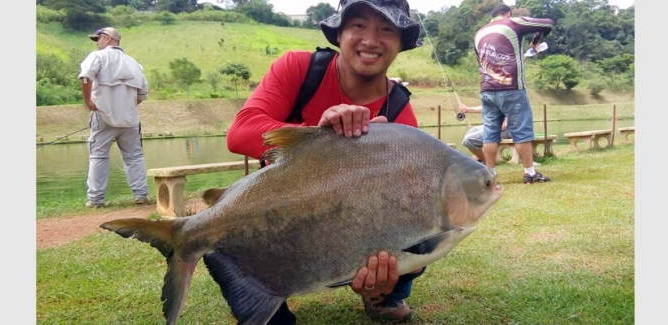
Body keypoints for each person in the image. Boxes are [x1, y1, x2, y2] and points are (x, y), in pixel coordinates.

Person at [214, 0, 425, 323]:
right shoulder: (299, 69)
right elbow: (239, 133)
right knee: (222, 231)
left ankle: (385, 296)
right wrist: (316, 136)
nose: (370, 40)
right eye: (358, 25)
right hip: (280, 213)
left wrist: (395, 264)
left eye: (387, 29)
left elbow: (413, 201)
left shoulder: (398, 112)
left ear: (400, 43)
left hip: (354, 218)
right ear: (339, 33)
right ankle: (266, 299)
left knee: (422, 240)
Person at [473, 4, 554, 184]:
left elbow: (480, 58)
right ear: (508, 13)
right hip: (511, 88)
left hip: (486, 89)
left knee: (489, 134)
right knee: (522, 132)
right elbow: (548, 24)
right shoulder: (512, 23)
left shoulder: (478, 33)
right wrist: (535, 41)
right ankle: (530, 173)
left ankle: (490, 175)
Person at [77, 27, 150, 208]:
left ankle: (96, 199)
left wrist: (88, 101)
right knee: (134, 156)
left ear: (108, 38)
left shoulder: (97, 56)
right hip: (130, 119)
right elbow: (143, 94)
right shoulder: (134, 64)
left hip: (103, 115)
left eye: (98, 39)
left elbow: (85, 78)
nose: (97, 43)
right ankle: (141, 195)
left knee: (98, 156)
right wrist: (125, 108)